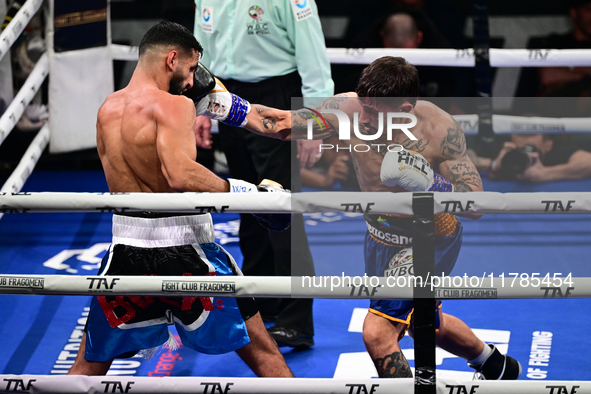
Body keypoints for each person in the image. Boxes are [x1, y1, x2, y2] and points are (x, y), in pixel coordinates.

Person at [254, 56, 522, 379]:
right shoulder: (348, 109)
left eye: (375, 113)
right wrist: (224, 106)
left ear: (405, 111)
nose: (365, 120)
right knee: (424, 323)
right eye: (363, 107)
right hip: (379, 235)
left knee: (378, 331)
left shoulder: (438, 130)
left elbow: (477, 205)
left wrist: (430, 180)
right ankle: (495, 364)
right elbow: (282, 124)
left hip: (429, 238)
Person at [67, 20, 294, 377]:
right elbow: (179, 174)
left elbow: (260, 118)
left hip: (126, 249)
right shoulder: (176, 106)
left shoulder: (107, 110)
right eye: (190, 69)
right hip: (188, 249)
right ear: (172, 59)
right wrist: (248, 195)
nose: (192, 82)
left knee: (89, 365)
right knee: (263, 352)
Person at [193, 0, 334, 348]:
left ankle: (296, 320)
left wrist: (313, 122)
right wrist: (198, 106)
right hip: (225, 97)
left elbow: (313, 53)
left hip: (276, 97)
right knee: (247, 206)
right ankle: (262, 302)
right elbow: (199, 51)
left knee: (281, 210)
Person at [516, 0, 591, 97]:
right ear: (574, 12)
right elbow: (547, 75)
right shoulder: (556, 42)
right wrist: (584, 76)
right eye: (589, 10)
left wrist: (571, 71)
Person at [468, 133, 591, 182]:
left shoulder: (558, 150)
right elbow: (461, 155)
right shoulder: (504, 150)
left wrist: (547, 173)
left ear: (548, 145)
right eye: (521, 133)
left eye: (531, 134)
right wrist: (493, 164)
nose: (525, 140)